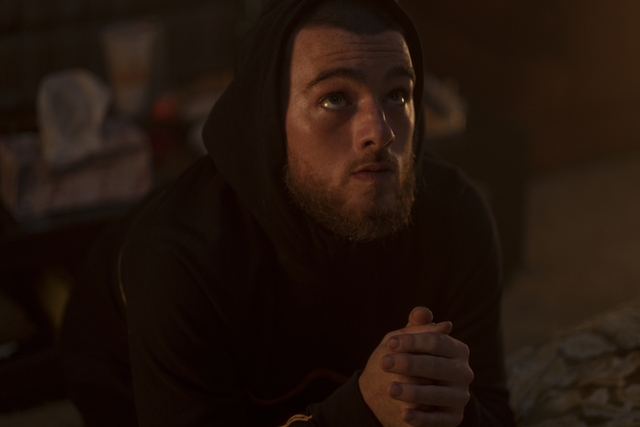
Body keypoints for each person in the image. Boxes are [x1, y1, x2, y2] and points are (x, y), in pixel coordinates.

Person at [61, 0, 515, 426]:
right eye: (335, 99)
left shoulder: (456, 214)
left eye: (397, 95)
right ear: (268, 120)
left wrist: (453, 407)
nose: (380, 132)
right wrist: (358, 413)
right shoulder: (179, 259)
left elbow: (493, 411)